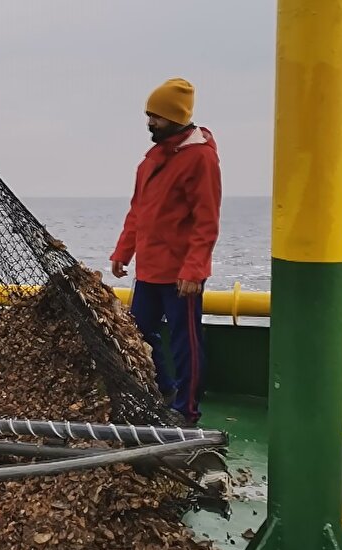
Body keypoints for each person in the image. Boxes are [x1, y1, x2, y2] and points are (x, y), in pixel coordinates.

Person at [109, 78, 221, 425]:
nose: (149, 123)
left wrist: (194, 270)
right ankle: (166, 388)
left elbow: (206, 220)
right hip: (149, 270)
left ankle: (187, 410)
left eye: (155, 116)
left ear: (175, 117)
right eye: (148, 115)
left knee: (185, 344)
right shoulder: (151, 160)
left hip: (180, 275)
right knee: (137, 333)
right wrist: (122, 251)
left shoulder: (200, 158)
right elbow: (138, 211)